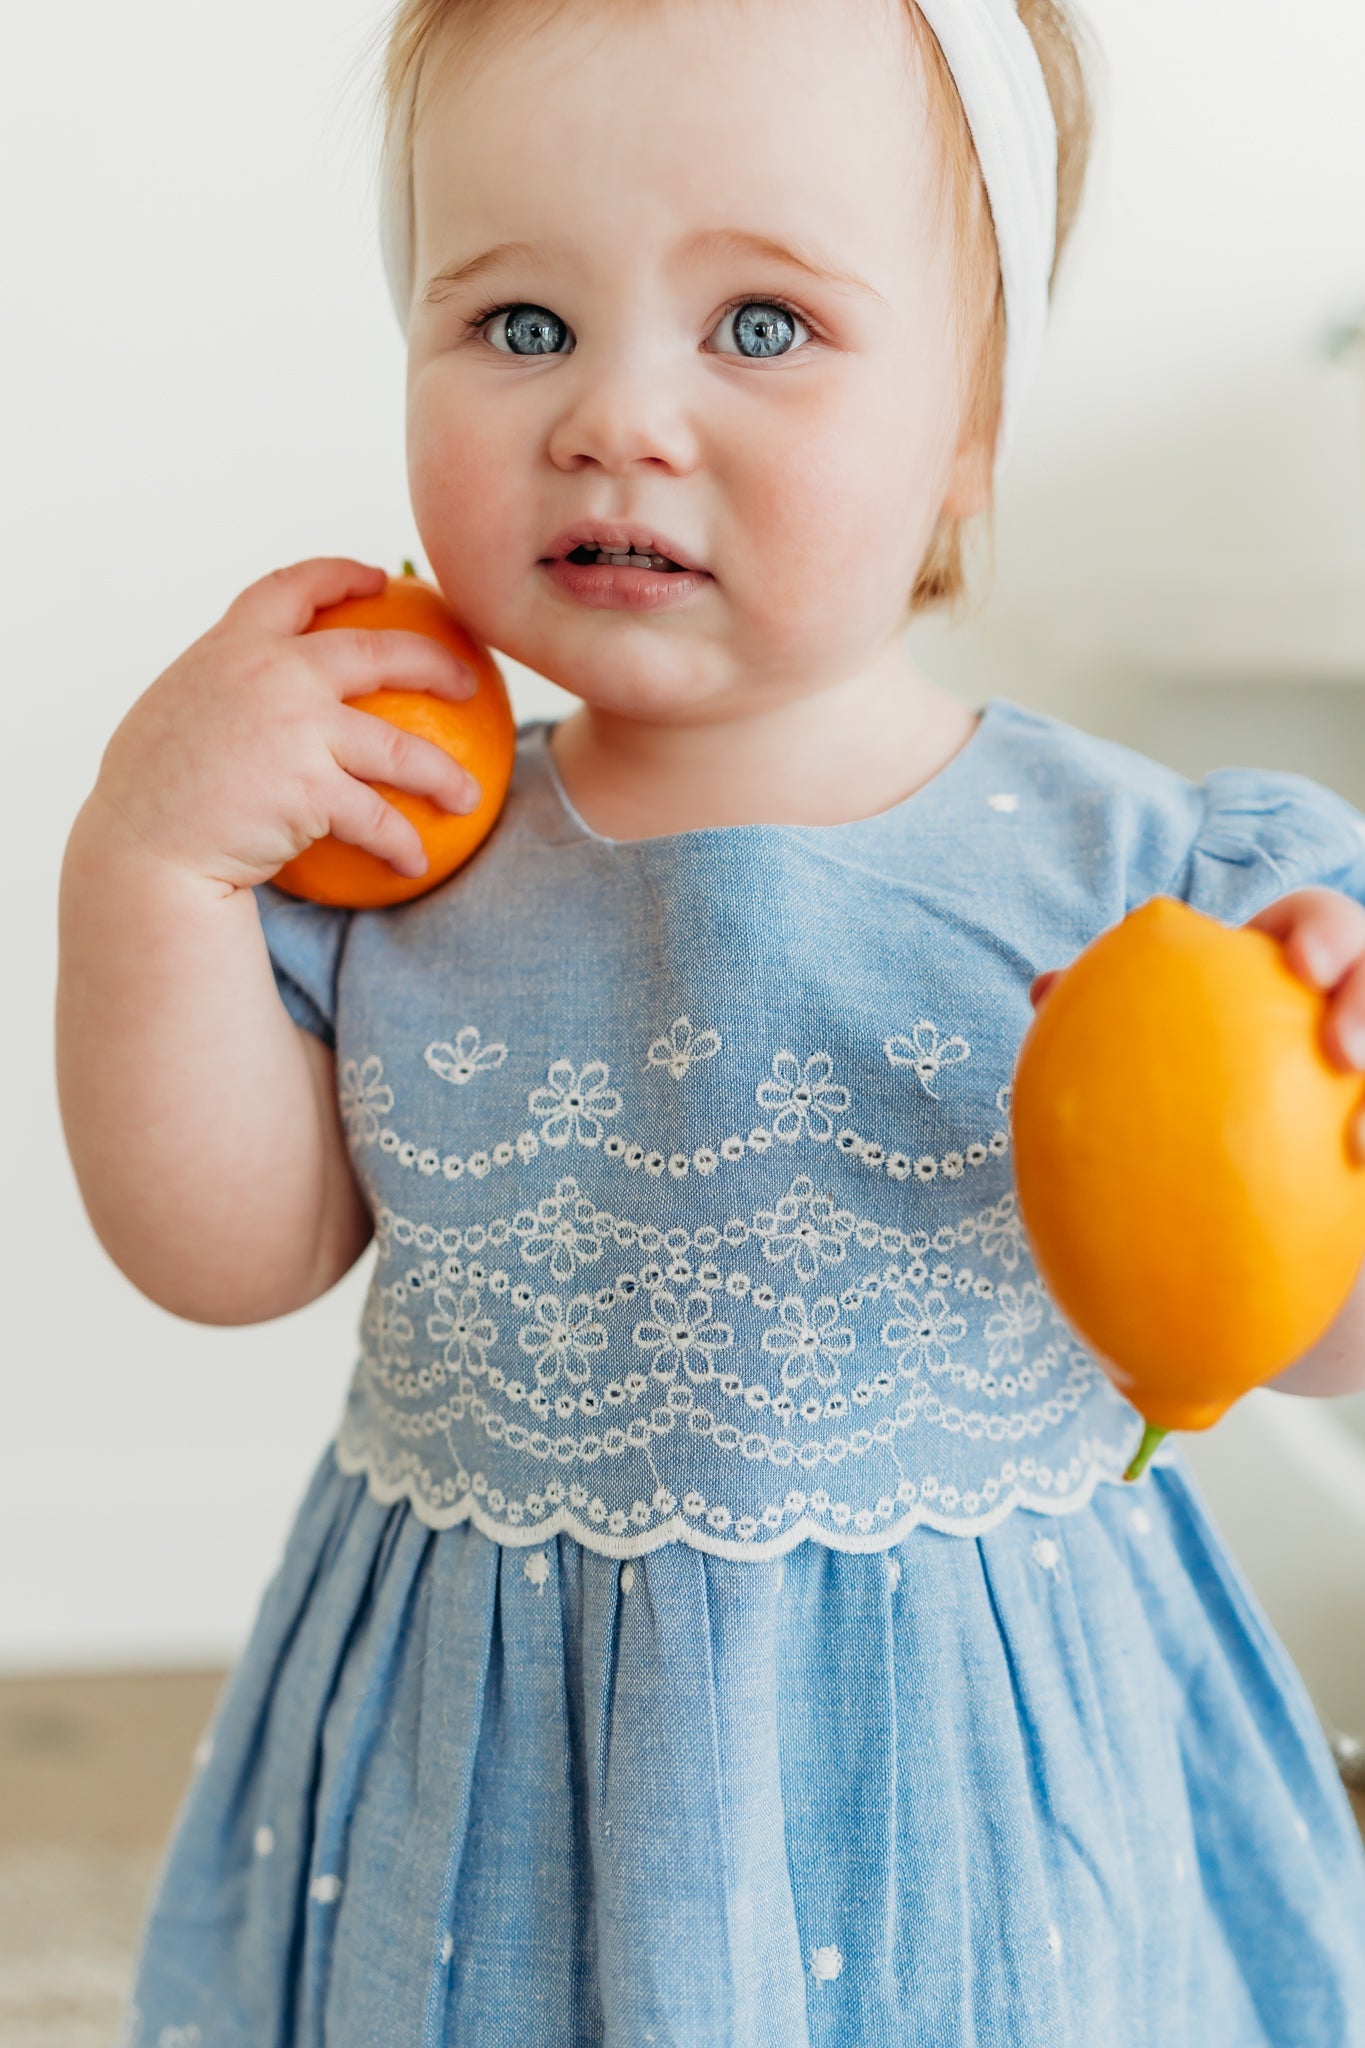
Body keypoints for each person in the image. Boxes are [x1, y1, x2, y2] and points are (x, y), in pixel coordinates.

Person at [55, 0, 1365, 2040]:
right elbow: (226, 1251)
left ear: (967, 421)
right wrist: (147, 868)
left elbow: (1297, 1339)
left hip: (968, 1810)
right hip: (489, 1778)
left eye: (756, 325)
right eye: (514, 325)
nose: (611, 418)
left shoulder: (1150, 879)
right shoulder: (394, 849)